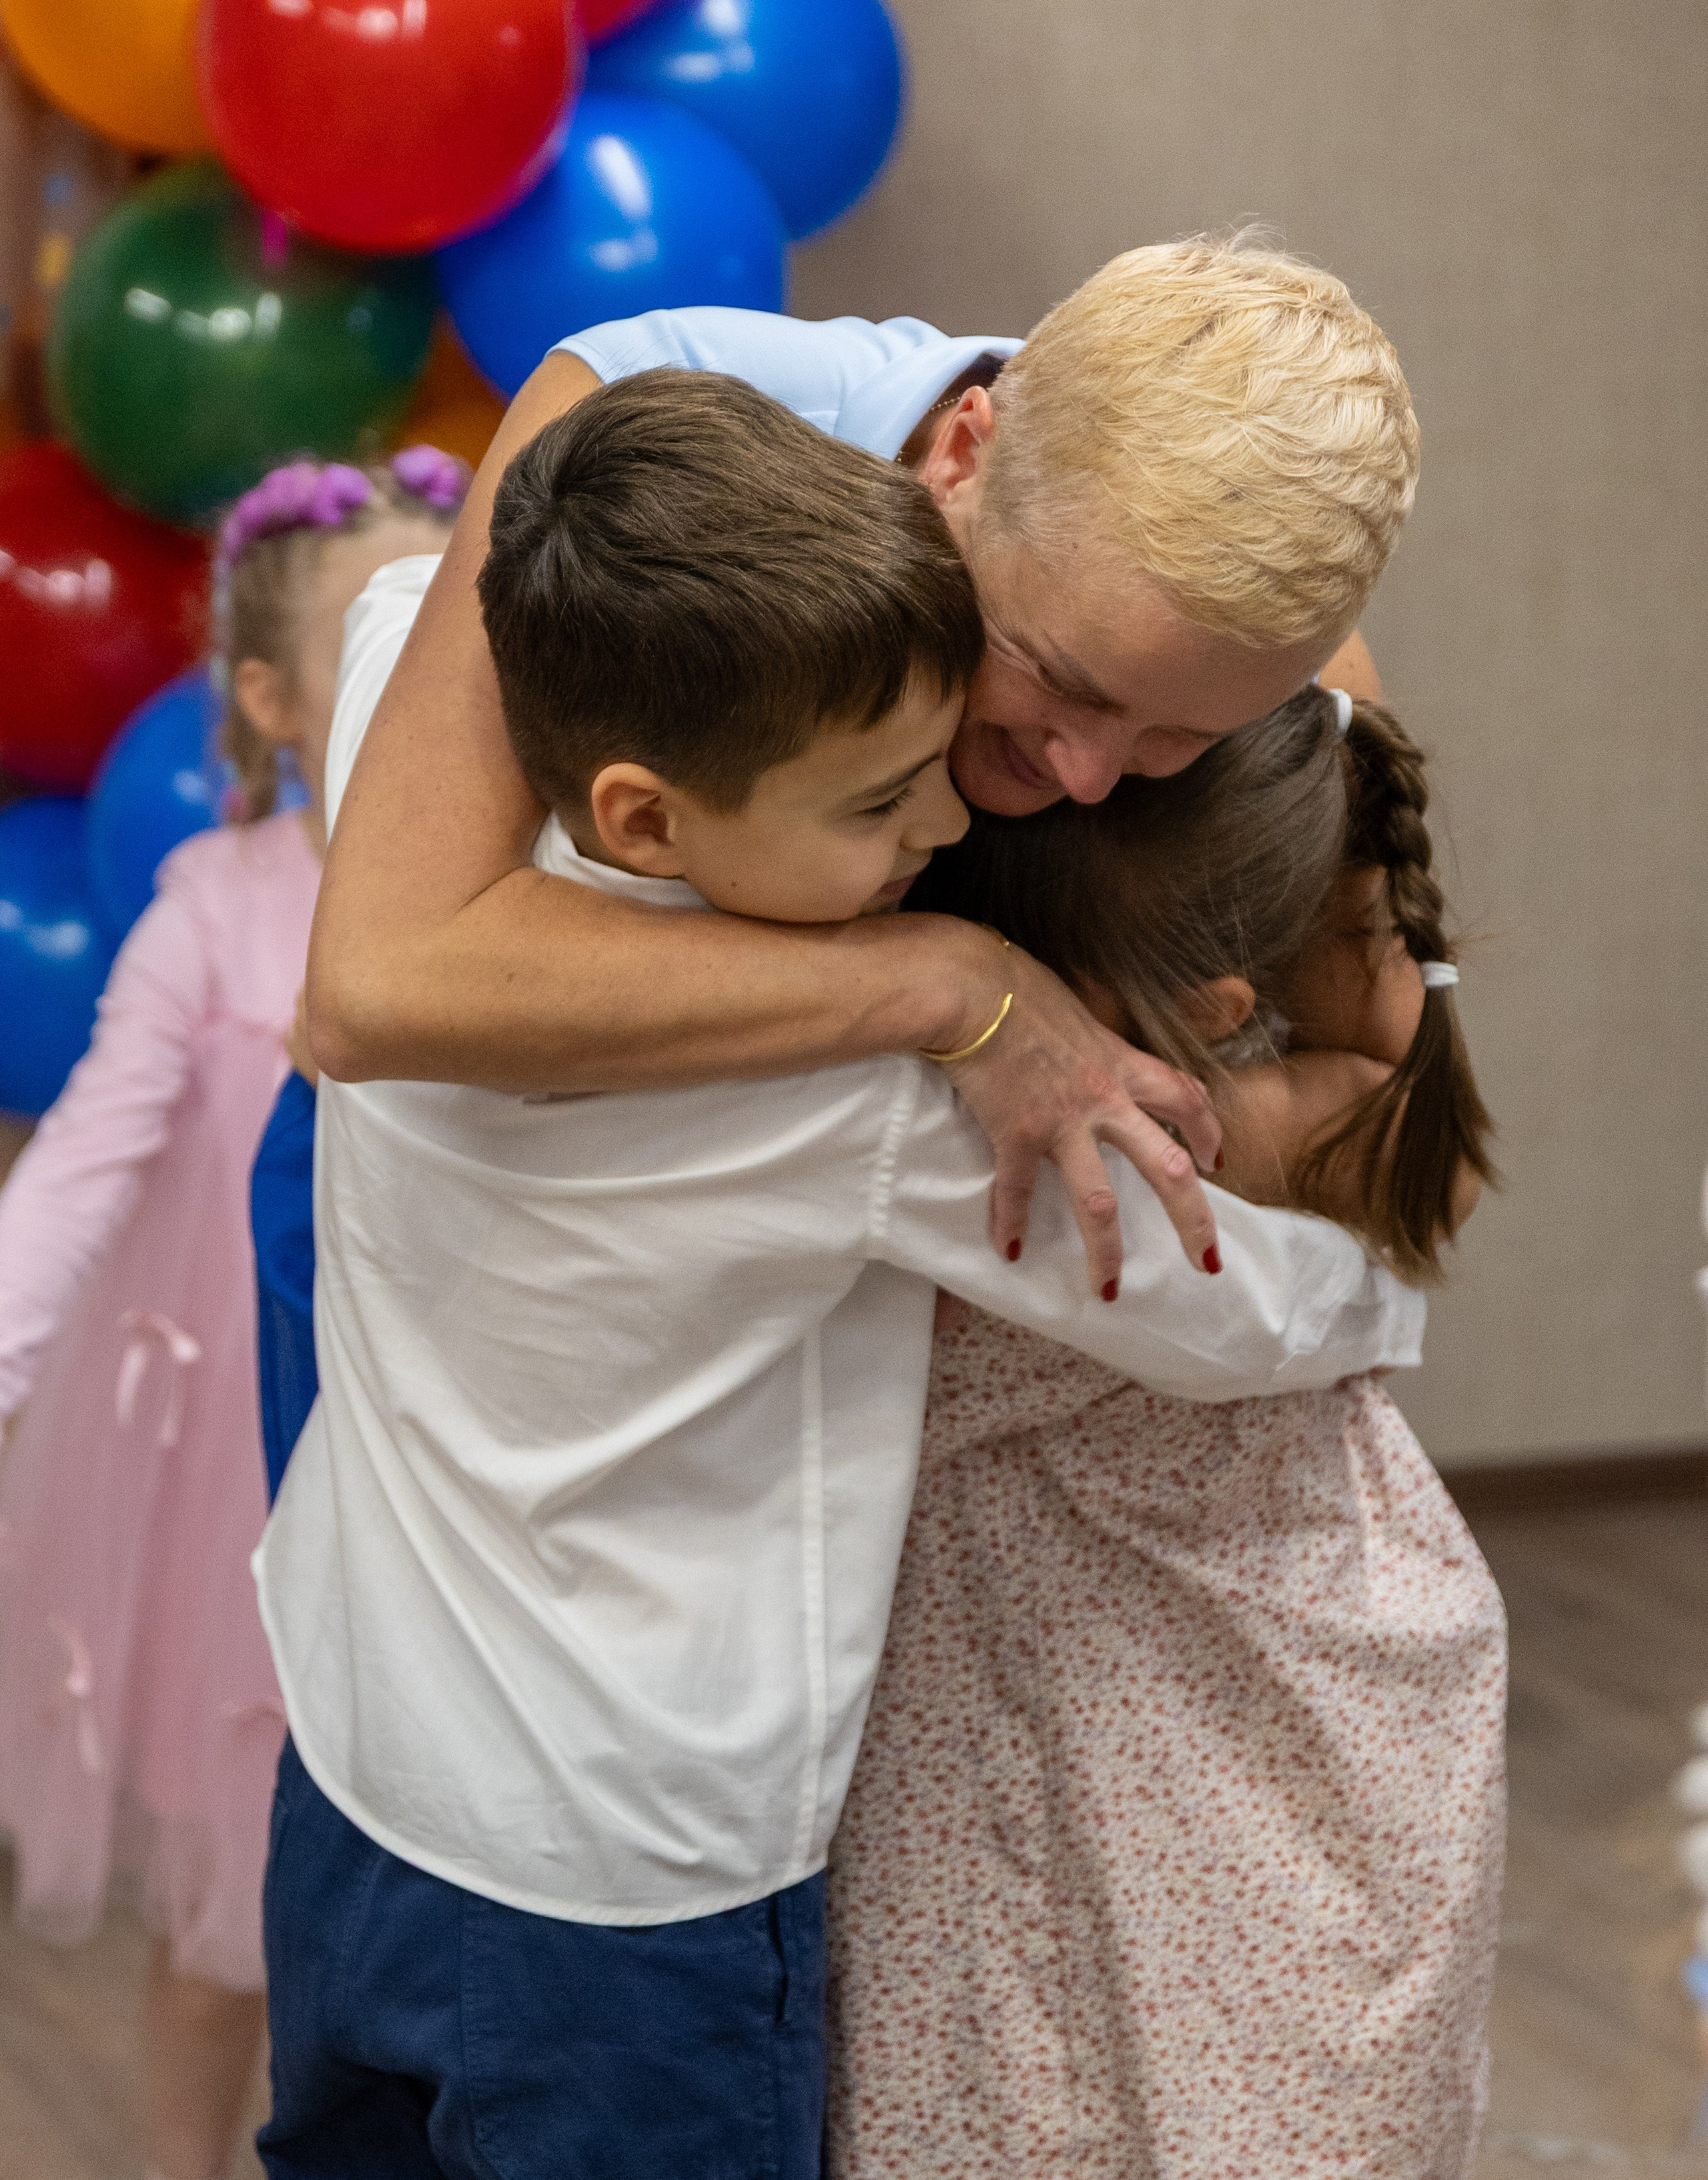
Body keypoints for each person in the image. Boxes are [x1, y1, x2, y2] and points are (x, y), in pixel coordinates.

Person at [255, 375, 1426, 2180]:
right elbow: (1230, 1301)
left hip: (357, 1767)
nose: (944, 837)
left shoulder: (412, 706)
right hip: (628, 1892)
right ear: (651, 824)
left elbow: (455, 592)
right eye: (883, 803)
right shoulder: (855, 1093)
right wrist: (1379, 1233)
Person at [304, 238, 1421, 1284]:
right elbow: (374, 988)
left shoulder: (1261, 644)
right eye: (1062, 680)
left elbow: (1420, 1135)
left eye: (1180, 738)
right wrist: (958, 989)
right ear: (962, 455)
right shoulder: (624, 430)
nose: (1088, 775)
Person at [826, 687, 1505, 2179]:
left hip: (1141, 1760)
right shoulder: (1295, 1130)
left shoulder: (955, 1147)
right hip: (1226, 1743)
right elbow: (1422, 1117)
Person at [0, 450, 463, 2180]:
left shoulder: (523, 899)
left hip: (445, 1477)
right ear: (272, 698)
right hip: (241, 1498)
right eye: (382, 632)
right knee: (228, 1933)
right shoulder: (216, 909)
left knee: (405, 1944)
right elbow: (86, 1159)